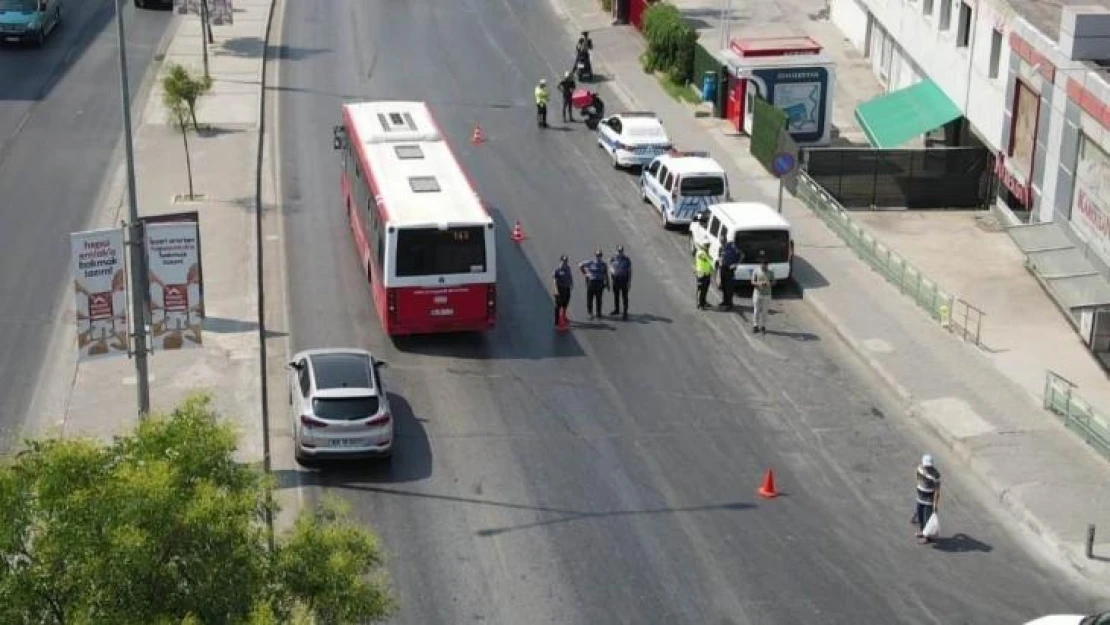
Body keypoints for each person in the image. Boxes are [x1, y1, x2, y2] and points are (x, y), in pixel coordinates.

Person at [913, 454, 941, 544]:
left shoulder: (936, 476)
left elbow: (937, 491)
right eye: (926, 466)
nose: (927, 468)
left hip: (929, 500)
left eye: (929, 466)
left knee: (927, 519)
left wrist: (935, 505)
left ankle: (927, 537)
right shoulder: (920, 469)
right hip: (920, 497)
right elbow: (917, 477)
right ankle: (922, 532)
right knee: (920, 517)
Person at [578, 249, 609, 319]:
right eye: (597, 255)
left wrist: (607, 283)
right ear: (595, 255)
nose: (598, 257)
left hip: (600, 283)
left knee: (599, 299)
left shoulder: (604, 264)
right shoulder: (591, 262)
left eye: (600, 255)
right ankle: (590, 313)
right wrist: (585, 274)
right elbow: (580, 264)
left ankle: (599, 313)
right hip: (591, 282)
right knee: (590, 298)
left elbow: (606, 274)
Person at [751, 255, 774, 333]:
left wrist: (769, 283)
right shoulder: (756, 271)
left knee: (765, 311)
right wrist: (759, 284)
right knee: (756, 310)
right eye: (762, 264)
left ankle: (763, 326)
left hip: (767, 295)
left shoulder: (771, 272)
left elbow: (774, 281)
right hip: (757, 294)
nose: (763, 266)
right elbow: (752, 281)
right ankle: (755, 325)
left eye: (765, 265)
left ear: (767, 265)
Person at [609, 245, 632, 320]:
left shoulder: (627, 259)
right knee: (616, 295)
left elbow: (629, 271)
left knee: (624, 297)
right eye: (619, 251)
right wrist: (612, 273)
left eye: (621, 251)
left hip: (624, 280)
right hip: (616, 279)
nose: (620, 252)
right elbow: (610, 266)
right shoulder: (613, 258)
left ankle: (625, 312)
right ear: (616, 251)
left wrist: (629, 282)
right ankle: (617, 309)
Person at [718, 240, 741, 310]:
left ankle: (729, 304)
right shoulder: (721, 248)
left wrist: (736, 264)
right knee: (724, 287)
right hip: (723, 269)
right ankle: (724, 301)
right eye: (721, 241)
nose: (722, 242)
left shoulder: (731, 246)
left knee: (729, 288)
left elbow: (742, 255)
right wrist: (720, 263)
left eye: (723, 240)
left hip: (730, 270)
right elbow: (719, 257)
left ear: (725, 239)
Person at [552, 255, 574, 326]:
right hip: (560, 289)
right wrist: (556, 290)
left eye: (566, 261)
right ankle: (557, 321)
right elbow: (554, 281)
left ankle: (564, 316)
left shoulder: (568, 268)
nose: (565, 262)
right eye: (563, 261)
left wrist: (571, 283)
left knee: (565, 303)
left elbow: (570, 276)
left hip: (567, 288)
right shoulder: (557, 270)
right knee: (558, 306)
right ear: (560, 261)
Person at [694, 243, 713, 310]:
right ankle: (700, 304)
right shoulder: (700, 252)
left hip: (707, 274)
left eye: (708, 246)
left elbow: (710, 262)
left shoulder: (706, 253)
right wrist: (708, 257)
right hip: (701, 274)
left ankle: (704, 302)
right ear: (703, 246)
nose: (708, 247)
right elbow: (703, 258)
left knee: (705, 289)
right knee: (701, 289)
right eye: (706, 245)